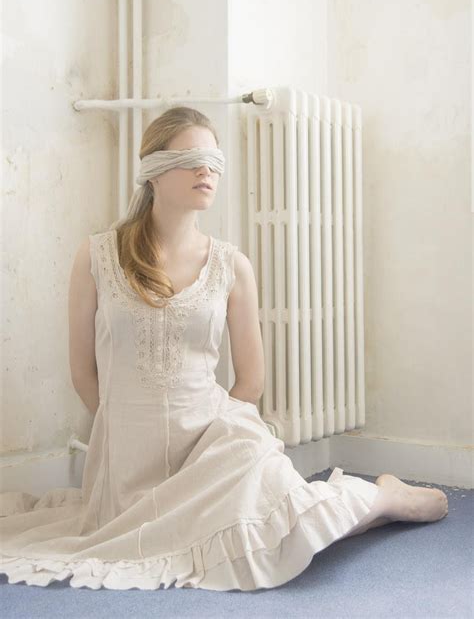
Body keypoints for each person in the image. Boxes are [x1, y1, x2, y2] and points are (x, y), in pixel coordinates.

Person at [0, 106, 448, 591]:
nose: (206, 170)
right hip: (125, 457)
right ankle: (375, 499)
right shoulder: (97, 255)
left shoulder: (232, 264)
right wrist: (122, 429)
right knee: (259, 539)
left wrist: (221, 441)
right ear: (152, 169)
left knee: (271, 534)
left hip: (215, 443)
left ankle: (384, 497)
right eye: (191, 157)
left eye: (214, 160)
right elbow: (82, 370)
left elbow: (250, 380)